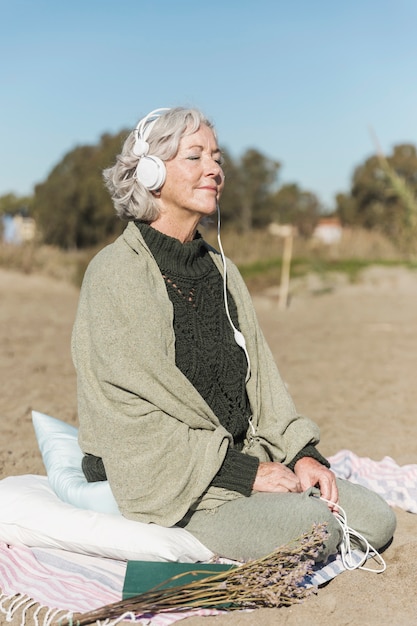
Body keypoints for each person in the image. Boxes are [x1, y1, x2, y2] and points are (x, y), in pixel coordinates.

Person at [72, 106, 396, 563]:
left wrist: (299, 454)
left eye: (217, 158)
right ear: (149, 173)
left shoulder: (224, 271)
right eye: (195, 157)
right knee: (317, 531)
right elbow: (135, 413)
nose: (214, 170)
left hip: (240, 458)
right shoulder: (115, 273)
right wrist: (244, 473)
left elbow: (262, 382)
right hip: (171, 477)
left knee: (376, 520)